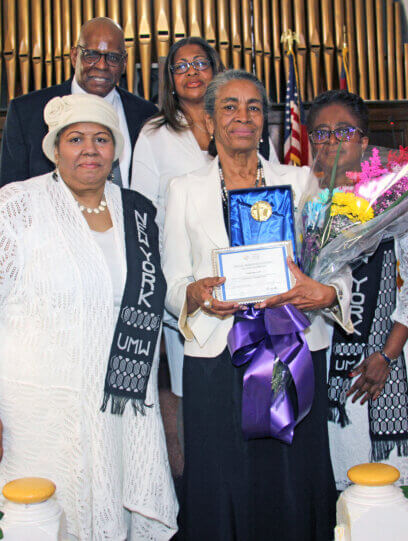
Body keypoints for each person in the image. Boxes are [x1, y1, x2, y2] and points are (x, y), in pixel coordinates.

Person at [0, 94, 178, 539]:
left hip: (114, 410)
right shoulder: (16, 205)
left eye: (102, 139)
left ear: (115, 150)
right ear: (54, 148)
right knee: (36, 521)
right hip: (30, 413)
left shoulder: (136, 212)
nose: (90, 149)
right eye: (76, 139)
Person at [162, 69, 352, 540]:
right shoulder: (184, 189)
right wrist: (195, 294)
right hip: (217, 359)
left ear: (266, 121)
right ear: (208, 121)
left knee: (292, 476)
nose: (242, 116)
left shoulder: (302, 180)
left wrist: (325, 293)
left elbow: (337, 271)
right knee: (223, 477)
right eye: (228, 106)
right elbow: (173, 282)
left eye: (253, 107)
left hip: (294, 348)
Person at [131, 37, 279, 412]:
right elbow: (143, 212)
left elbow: (276, 190)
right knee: (199, 396)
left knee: (266, 387)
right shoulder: (154, 135)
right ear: (169, 79)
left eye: (200, 62)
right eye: (180, 66)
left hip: (259, 281)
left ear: (216, 69)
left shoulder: (245, 125)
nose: (191, 71)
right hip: (189, 277)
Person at [306, 89, 408, 490]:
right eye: (321, 133)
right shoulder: (308, 204)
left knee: (384, 483)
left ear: (363, 140)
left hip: (384, 358)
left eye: (343, 131)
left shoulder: (395, 200)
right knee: (335, 479)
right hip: (327, 363)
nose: (331, 141)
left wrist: (386, 355)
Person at [0, 17, 157, 188]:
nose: (102, 66)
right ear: (74, 56)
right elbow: (10, 193)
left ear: (124, 63)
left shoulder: (147, 114)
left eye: (113, 57)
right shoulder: (26, 112)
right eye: (92, 55)